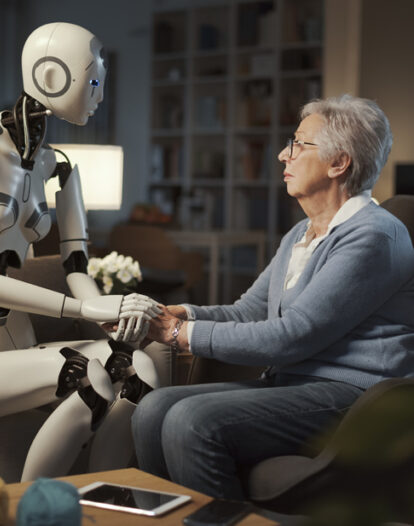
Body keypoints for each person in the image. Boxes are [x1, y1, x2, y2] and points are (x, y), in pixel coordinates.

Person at [129, 94, 414, 500]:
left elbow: (292, 335)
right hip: (295, 384)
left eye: (298, 144)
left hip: (356, 399)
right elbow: (250, 310)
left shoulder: (373, 237)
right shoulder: (301, 234)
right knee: (152, 411)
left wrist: (180, 333)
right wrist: (181, 312)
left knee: (191, 420)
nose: (283, 155)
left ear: (339, 163)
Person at [0, 22, 163, 482]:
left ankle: (104, 494)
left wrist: (109, 311)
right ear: (53, 77)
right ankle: (34, 509)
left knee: (140, 368)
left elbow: (76, 266)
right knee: (85, 373)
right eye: (93, 83)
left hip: (17, 346)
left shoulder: (59, 167)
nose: (100, 97)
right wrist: (85, 306)